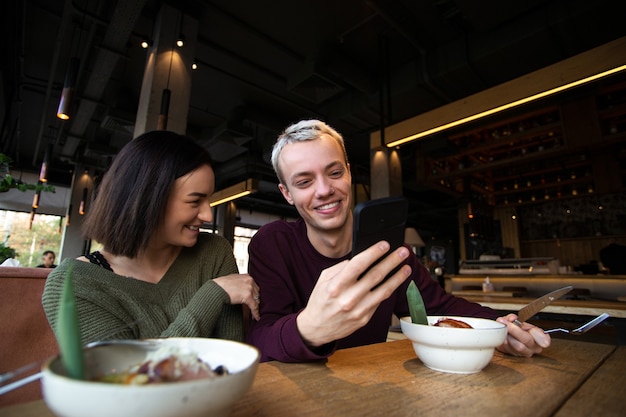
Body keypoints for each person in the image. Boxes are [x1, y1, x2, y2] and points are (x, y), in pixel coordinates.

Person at [246, 119, 550, 362]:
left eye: (334, 172)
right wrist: (308, 328)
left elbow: (437, 307)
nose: (324, 189)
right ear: (286, 193)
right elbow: (262, 337)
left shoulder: (389, 250)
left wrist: (500, 325)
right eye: (304, 182)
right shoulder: (272, 244)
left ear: (349, 174)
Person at [42, 131, 260, 345]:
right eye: (195, 201)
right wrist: (211, 297)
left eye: (208, 200)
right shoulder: (73, 285)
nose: (207, 215)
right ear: (147, 199)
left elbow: (231, 360)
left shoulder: (213, 252)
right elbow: (124, 377)